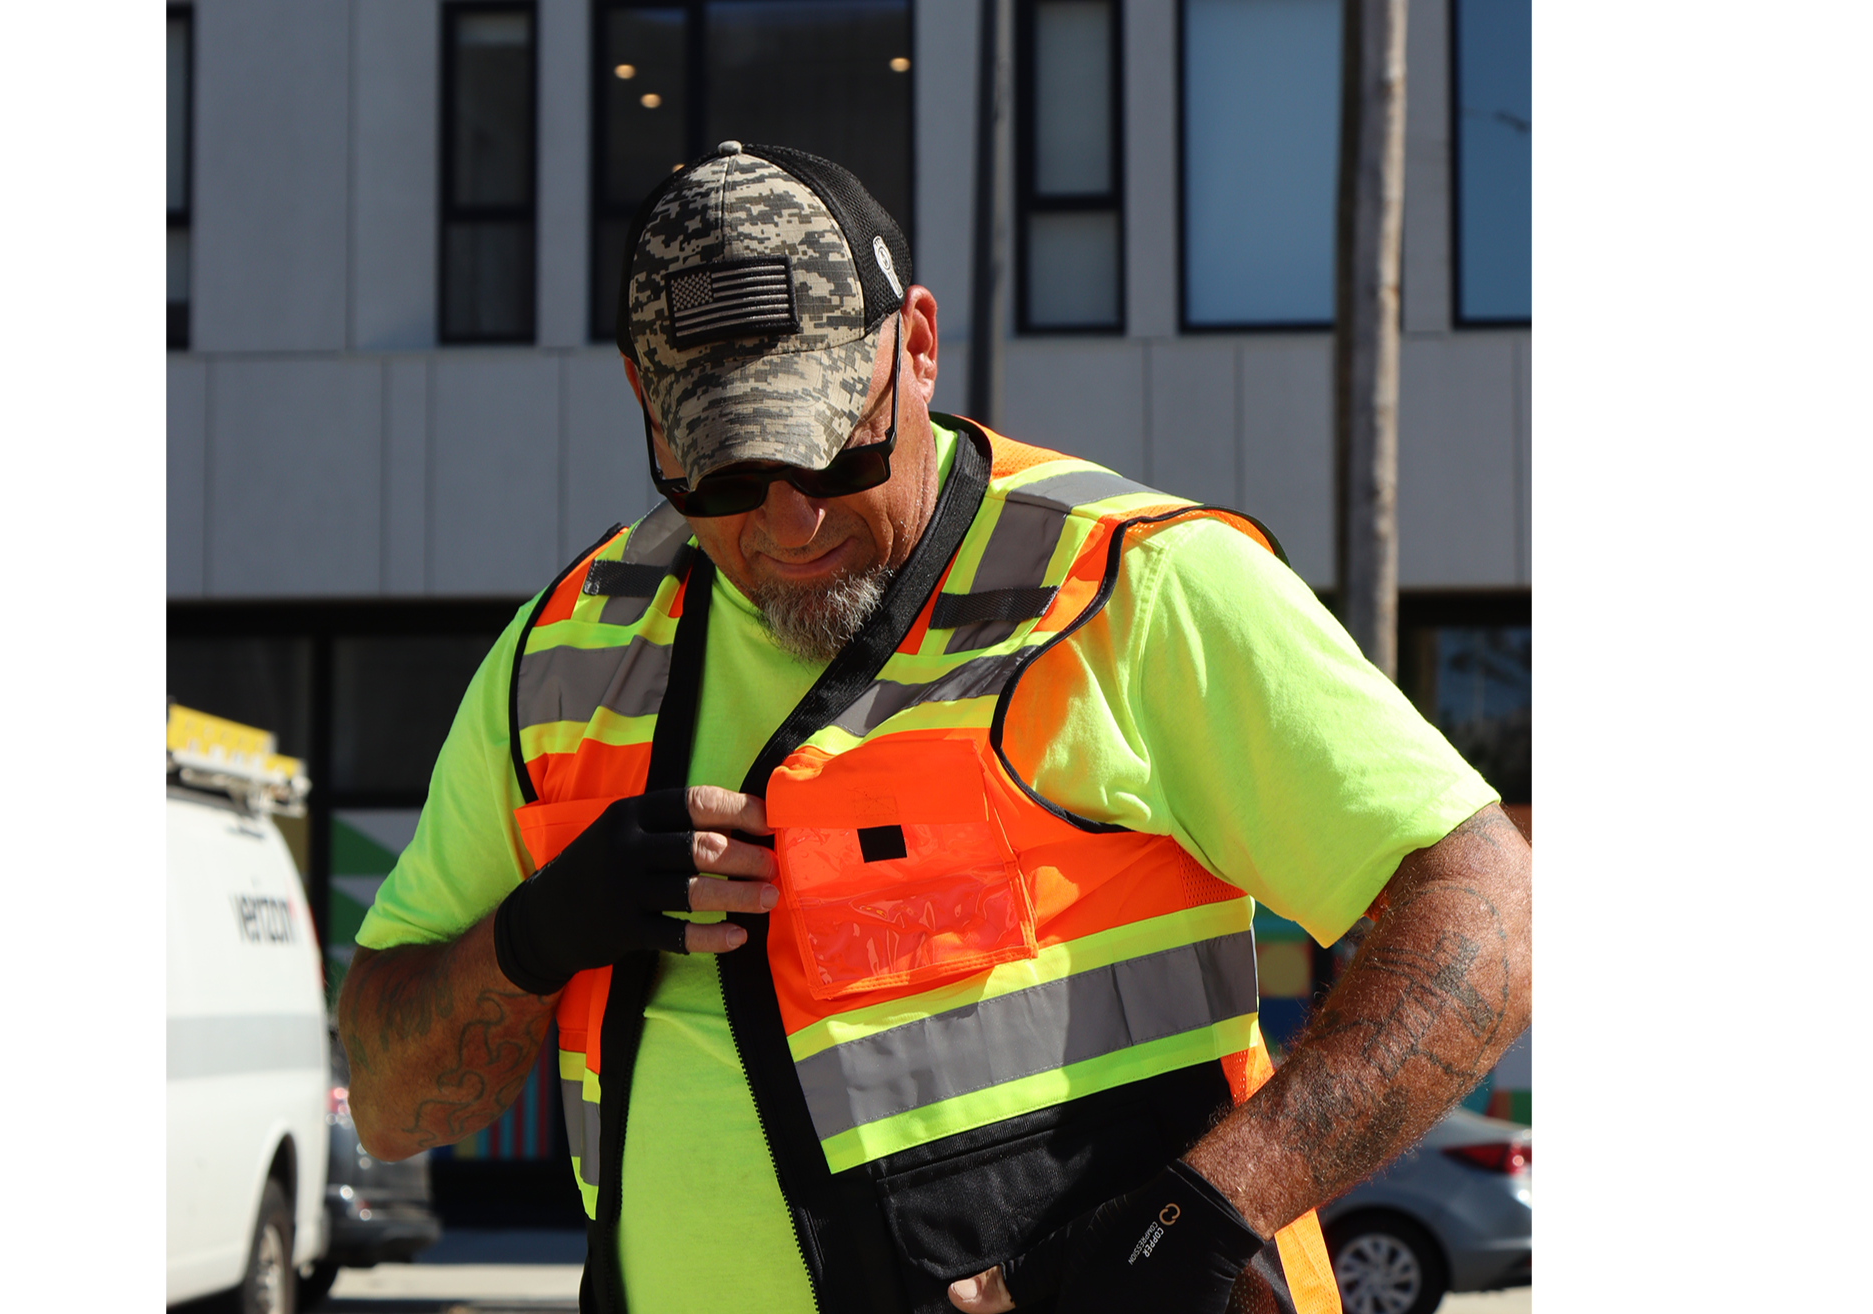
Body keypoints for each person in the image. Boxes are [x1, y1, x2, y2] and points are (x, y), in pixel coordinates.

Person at [338, 142, 1531, 1314]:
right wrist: (537, 935)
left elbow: (1491, 914)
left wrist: (1204, 1214)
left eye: (828, 447)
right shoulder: (563, 653)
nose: (789, 518)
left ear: (914, 344)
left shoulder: (1130, 587)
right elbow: (389, 1108)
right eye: (720, 477)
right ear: (641, 401)